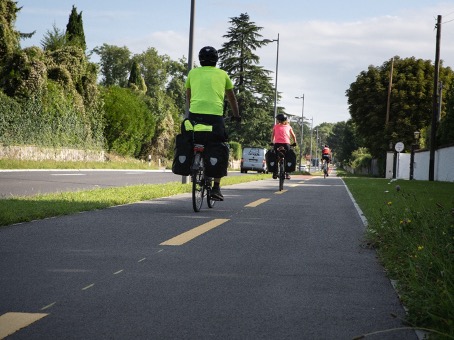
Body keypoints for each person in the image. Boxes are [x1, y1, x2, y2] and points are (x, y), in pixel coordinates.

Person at [185, 46, 240, 201]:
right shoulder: (223, 74)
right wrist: (236, 116)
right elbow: (232, 98)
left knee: (192, 139)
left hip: (195, 115)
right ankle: (216, 187)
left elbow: (188, 96)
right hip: (215, 117)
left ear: (200, 59)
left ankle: (192, 164)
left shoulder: (192, 73)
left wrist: (193, 111)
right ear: (216, 60)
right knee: (220, 146)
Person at [271, 113, 297, 179]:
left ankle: (275, 172)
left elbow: (272, 135)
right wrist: (294, 142)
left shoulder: (275, 126)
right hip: (286, 144)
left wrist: (272, 142)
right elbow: (293, 136)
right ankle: (287, 173)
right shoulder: (288, 126)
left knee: (275, 157)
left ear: (278, 120)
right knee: (287, 157)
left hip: (277, 144)